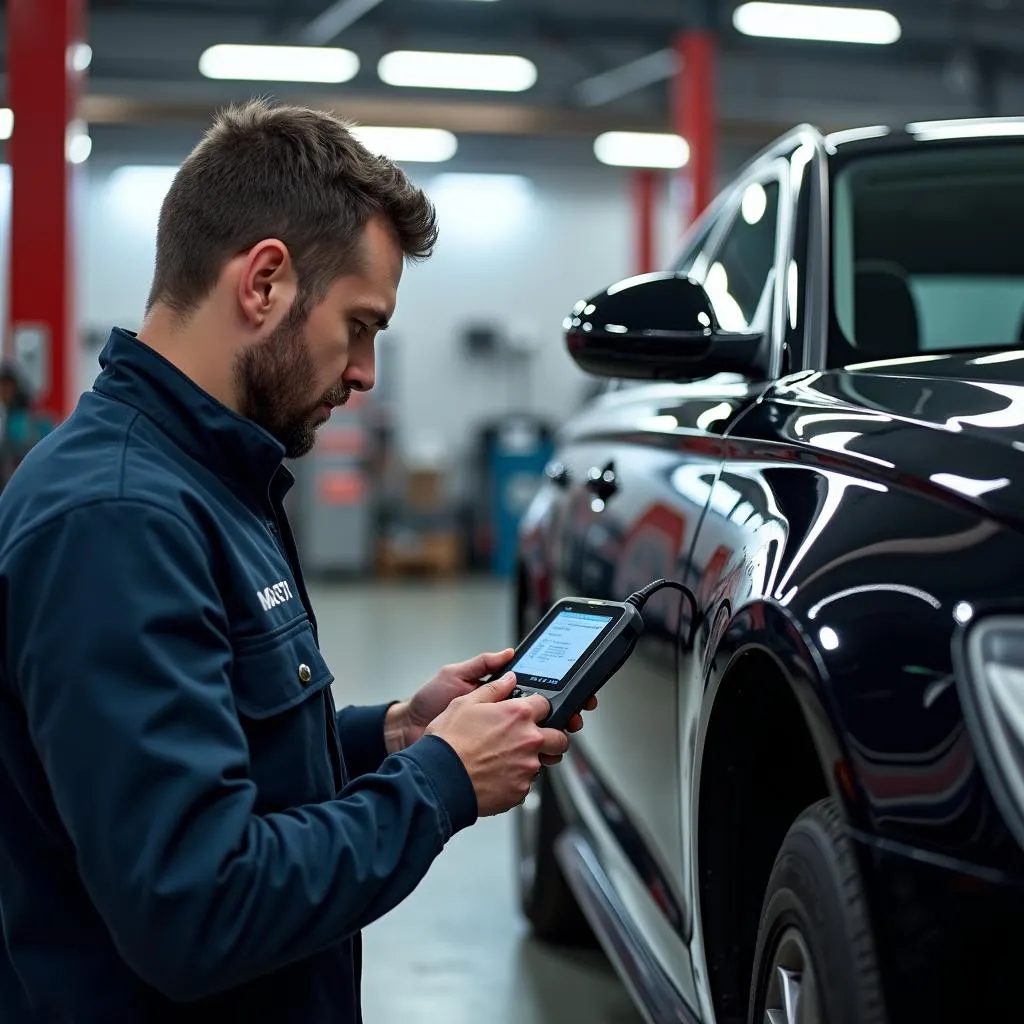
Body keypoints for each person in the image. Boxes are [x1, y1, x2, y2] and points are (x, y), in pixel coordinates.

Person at [0, 99, 594, 1022]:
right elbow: (196, 908)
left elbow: (225, 754)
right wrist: (440, 781)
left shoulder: (209, 480)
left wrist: (395, 735)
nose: (364, 373)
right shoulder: (118, 521)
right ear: (265, 281)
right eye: (359, 326)